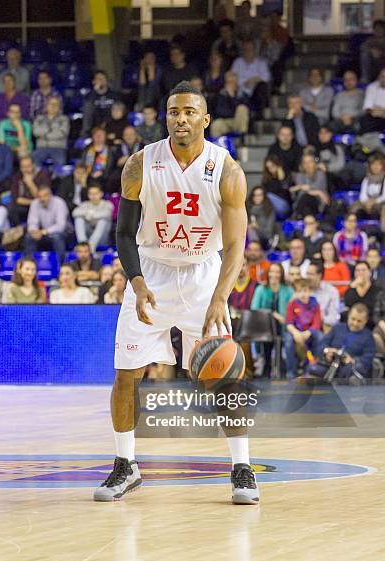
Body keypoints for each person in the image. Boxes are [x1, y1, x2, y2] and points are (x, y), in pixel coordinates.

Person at [93, 80, 259, 505]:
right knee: (126, 372)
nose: (180, 119)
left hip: (204, 276)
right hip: (152, 271)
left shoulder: (226, 169)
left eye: (189, 112)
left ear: (204, 119)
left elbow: (237, 243)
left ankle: (242, 467)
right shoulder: (140, 164)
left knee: (223, 374)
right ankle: (125, 466)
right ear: (165, 117)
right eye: (173, 111)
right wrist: (136, 281)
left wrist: (221, 295)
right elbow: (124, 232)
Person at [308, 303, 376, 381]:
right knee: (312, 368)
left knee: (348, 372)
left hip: (349, 368)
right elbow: (321, 346)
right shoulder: (337, 328)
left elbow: (368, 358)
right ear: (348, 316)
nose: (355, 323)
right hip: (329, 364)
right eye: (353, 319)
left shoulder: (368, 336)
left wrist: (353, 360)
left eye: (359, 321)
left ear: (365, 321)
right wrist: (327, 351)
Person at [251, 262, 294, 378]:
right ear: (268, 273)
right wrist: (272, 314)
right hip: (263, 325)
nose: (274, 274)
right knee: (268, 330)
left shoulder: (288, 290)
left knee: (277, 329)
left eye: (277, 272)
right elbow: (254, 310)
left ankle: (276, 365)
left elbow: (292, 312)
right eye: (272, 271)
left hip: (283, 325)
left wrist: (280, 318)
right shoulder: (260, 289)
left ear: (281, 274)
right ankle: (268, 363)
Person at [284, 278, 322, 379]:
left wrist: (308, 332)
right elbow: (288, 323)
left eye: (305, 290)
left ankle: (313, 368)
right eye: (299, 291)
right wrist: (296, 333)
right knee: (288, 340)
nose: (303, 294)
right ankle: (291, 372)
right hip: (295, 331)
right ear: (295, 293)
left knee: (320, 337)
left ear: (310, 291)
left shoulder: (315, 304)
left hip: (309, 331)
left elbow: (317, 323)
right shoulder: (291, 304)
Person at [24, 185, 71, 264]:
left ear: (50, 195)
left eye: (45, 196)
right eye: (40, 196)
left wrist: (43, 232)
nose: (42, 199)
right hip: (44, 232)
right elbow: (32, 222)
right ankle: (29, 264)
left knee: (56, 237)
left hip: (64, 232)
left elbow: (61, 226)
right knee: (29, 236)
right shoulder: (35, 203)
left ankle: (61, 266)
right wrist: (34, 231)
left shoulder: (59, 203)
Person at [231, 39, 270, 119]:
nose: (248, 51)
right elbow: (232, 77)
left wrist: (255, 79)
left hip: (255, 94)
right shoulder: (237, 62)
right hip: (240, 92)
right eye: (245, 49)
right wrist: (245, 82)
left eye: (250, 49)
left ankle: (259, 115)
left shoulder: (261, 63)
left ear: (255, 50)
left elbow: (266, 77)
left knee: (262, 86)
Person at [9, 155, 51, 226]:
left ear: (33, 165)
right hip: (25, 205)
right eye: (23, 167)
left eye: (28, 166)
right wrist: (33, 202)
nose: (26, 169)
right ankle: (18, 230)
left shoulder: (43, 174)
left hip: (40, 205)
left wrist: (30, 183)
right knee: (12, 209)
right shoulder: (17, 176)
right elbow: (16, 199)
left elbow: (43, 196)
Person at [73, 184, 113, 252]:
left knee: (103, 220)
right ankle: (83, 243)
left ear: (101, 194)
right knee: (78, 219)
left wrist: (91, 215)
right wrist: (88, 213)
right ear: (88, 195)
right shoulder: (84, 204)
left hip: (103, 237)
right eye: (91, 194)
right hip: (87, 234)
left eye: (96, 193)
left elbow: (107, 214)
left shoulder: (107, 204)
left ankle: (90, 247)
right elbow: (74, 213)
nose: (93, 196)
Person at [351, 152, 385, 232]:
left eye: (378, 164)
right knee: (354, 207)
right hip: (367, 204)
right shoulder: (366, 179)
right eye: (373, 164)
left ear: (382, 166)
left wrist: (374, 201)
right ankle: (352, 231)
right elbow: (362, 196)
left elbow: (384, 196)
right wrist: (367, 202)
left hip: (381, 203)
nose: (376, 167)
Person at [210, 71, 250, 138]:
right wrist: (229, 95)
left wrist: (231, 97)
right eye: (229, 82)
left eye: (233, 82)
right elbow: (220, 112)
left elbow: (245, 111)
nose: (231, 84)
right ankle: (216, 145)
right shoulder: (220, 94)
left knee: (242, 108)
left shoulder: (242, 94)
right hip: (225, 121)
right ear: (225, 83)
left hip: (237, 122)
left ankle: (242, 139)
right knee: (216, 125)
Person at [32, 96, 69, 166]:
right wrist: (50, 129)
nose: (53, 106)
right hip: (41, 148)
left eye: (56, 104)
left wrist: (44, 134)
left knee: (61, 162)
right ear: (46, 105)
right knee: (33, 160)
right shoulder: (39, 118)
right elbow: (35, 131)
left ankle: (56, 177)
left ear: (59, 107)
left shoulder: (64, 119)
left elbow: (62, 133)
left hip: (58, 148)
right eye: (51, 104)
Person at [343, 260, 381, 329]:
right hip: (353, 322)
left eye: (364, 270)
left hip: (371, 322)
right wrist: (352, 287)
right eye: (357, 270)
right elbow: (347, 302)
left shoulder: (377, 290)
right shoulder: (352, 288)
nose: (361, 273)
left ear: (370, 272)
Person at [290, 153, 330, 218]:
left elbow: (318, 187)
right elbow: (302, 191)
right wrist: (318, 192)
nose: (307, 165)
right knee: (305, 201)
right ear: (302, 164)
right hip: (303, 203)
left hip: (318, 202)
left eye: (310, 162)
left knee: (306, 197)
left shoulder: (320, 174)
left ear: (314, 163)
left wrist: (303, 187)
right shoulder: (299, 175)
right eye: (305, 163)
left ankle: (296, 216)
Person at [81, 70, 118, 137]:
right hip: (94, 126)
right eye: (98, 79)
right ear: (93, 81)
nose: (100, 81)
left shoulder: (114, 95)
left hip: (110, 125)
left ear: (106, 81)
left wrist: (105, 122)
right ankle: (86, 136)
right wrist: (95, 92)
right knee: (88, 106)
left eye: (102, 79)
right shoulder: (90, 96)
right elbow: (88, 111)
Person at [108, 126, 143, 194]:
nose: (129, 136)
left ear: (136, 136)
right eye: (126, 135)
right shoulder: (117, 148)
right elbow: (112, 165)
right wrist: (118, 163)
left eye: (131, 134)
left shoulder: (143, 146)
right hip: (121, 174)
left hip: (139, 173)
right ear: (123, 136)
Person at [307, 261, 340, 330]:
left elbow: (333, 318)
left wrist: (318, 318)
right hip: (303, 326)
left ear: (319, 275)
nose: (308, 277)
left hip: (323, 327)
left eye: (311, 274)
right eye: (307, 274)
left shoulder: (331, 291)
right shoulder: (302, 290)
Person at [81, 127, 115, 192]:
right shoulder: (87, 150)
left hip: (104, 177)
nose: (98, 136)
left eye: (101, 134)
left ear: (105, 137)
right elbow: (83, 164)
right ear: (93, 137)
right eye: (96, 134)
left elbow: (110, 166)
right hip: (88, 176)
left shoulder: (110, 151)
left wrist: (102, 172)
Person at [262, 155, 292, 219]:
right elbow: (264, 190)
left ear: (278, 165)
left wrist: (281, 178)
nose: (271, 169)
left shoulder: (286, 174)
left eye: (273, 166)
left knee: (268, 196)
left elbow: (286, 190)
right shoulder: (267, 178)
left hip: (285, 204)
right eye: (268, 167)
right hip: (272, 206)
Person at [360, 67, 385, 135]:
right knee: (365, 120)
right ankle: (366, 143)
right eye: (382, 76)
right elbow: (368, 108)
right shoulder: (371, 87)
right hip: (374, 117)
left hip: (379, 114)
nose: (384, 79)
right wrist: (381, 111)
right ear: (378, 76)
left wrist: (378, 110)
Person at [360, 20, 385, 84]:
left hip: (383, 65)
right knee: (364, 54)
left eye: (380, 28)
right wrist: (371, 51)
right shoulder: (370, 40)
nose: (378, 30)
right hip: (372, 66)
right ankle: (365, 79)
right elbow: (362, 47)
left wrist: (381, 53)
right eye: (376, 29)